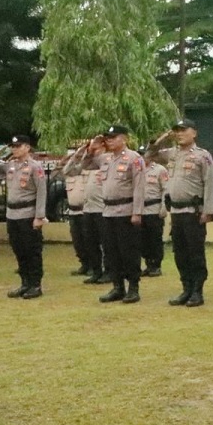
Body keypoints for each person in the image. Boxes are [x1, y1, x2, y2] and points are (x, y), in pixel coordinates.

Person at [146, 119, 213, 307]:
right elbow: (150, 154)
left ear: (194, 133)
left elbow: (209, 183)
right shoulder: (172, 154)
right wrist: (163, 138)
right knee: (180, 253)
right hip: (176, 211)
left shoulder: (202, 156)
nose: (179, 134)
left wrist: (208, 211)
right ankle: (186, 288)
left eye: (183, 130)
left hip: (193, 211)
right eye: (177, 131)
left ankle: (197, 291)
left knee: (195, 253)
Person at [84, 125, 146, 304]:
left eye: (113, 137)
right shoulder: (106, 159)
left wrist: (137, 212)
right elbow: (86, 164)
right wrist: (92, 147)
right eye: (107, 137)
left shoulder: (134, 158)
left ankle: (133, 288)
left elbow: (139, 187)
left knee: (128, 251)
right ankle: (117, 287)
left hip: (126, 211)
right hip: (108, 211)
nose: (109, 140)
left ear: (124, 138)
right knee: (111, 252)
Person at [0, 135, 48, 299]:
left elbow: (42, 192)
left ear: (27, 147)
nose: (15, 149)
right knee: (19, 250)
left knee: (32, 250)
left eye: (18, 146)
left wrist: (39, 216)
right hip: (12, 214)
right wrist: (0, 151)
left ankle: (35, 284)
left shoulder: (35, 166)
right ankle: (24, 283)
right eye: (13, 146)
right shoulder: (11, 166)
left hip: (28, 213)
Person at [63, 139, 108, 285]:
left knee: (107, 244)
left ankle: (109, 272)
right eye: (92, 145)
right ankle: (96, 271)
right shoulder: (87, 164)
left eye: (97, 144)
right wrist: (80, 152)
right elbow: (68, 171)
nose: (94, 147)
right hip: (88, 209)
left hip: (103, 209)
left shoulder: (108, 162)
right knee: (90, 243)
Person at [55, 144, 93, 277]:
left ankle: (93, 266)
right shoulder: (70, 174)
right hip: (73, 212)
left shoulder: (87, 173)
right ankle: (84, 264)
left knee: (89, 240)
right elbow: (62, 170)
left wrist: (83, 156)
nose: (77, 160)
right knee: (77, 241)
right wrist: (74, 156)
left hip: (85, 211)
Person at [139, 147, 169, 277]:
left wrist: (164, 207)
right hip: (140, 210)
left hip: (154, 209)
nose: (142, 158)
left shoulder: (159, 170)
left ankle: (156, 265)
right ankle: (148, 264)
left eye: (144, 155)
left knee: (155, 239)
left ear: (150, 156)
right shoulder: (136, 170)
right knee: (142, 240)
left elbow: (166, 189)